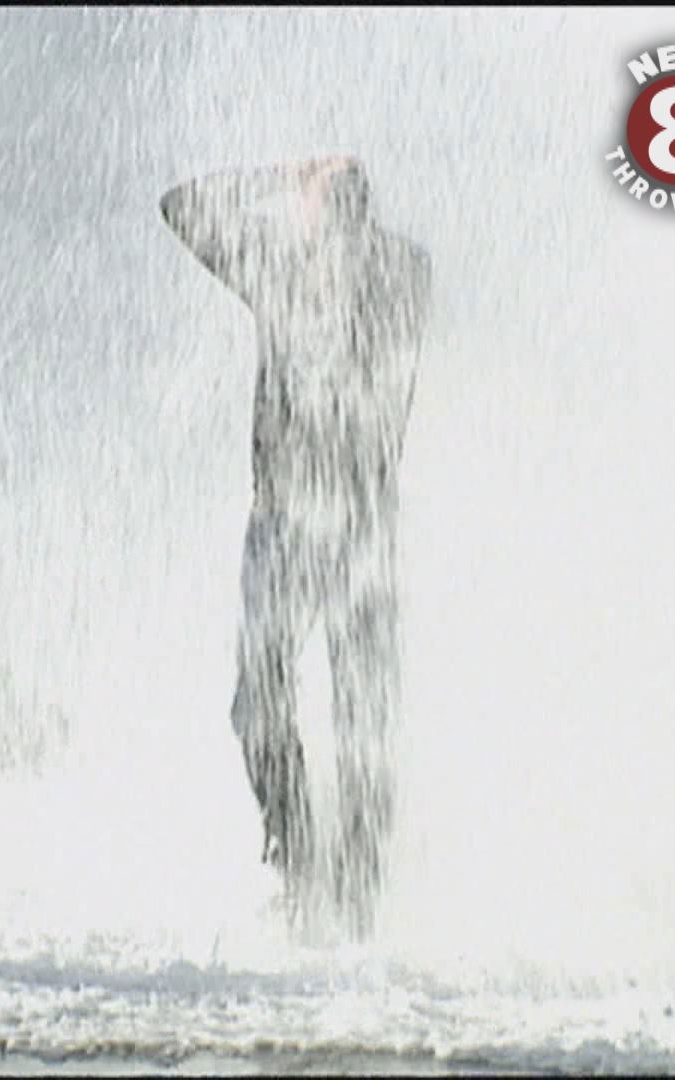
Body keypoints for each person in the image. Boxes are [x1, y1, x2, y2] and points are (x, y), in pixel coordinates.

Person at [160, 156, 435, 936]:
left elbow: (188, 206)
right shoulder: (285, 266)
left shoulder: (394, 272)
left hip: (358, 522)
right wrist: (283, 179)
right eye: (326, 200)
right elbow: (178, 206)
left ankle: (358, 886)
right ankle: (300, 860)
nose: (330, 213)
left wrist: (294, 190)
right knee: (262, 701)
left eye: (342, 199)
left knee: (363, 708)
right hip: (284, 518)